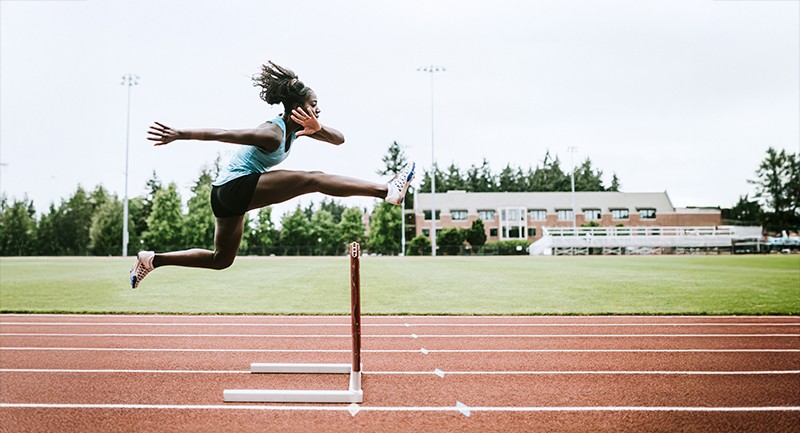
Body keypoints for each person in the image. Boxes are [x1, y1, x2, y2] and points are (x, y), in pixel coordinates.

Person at [130, 61, 414, 289]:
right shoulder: (274, 133)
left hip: (225, 196)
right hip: (233, 187)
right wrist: (180, 134)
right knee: (312, 178)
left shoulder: (298, 129)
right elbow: (227, 134)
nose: (318, 109)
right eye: (314, 104)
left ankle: (151, 260)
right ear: (296, 107)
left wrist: (318, 128)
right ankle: (386, 190)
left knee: (221, 260)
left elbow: (339, 140)